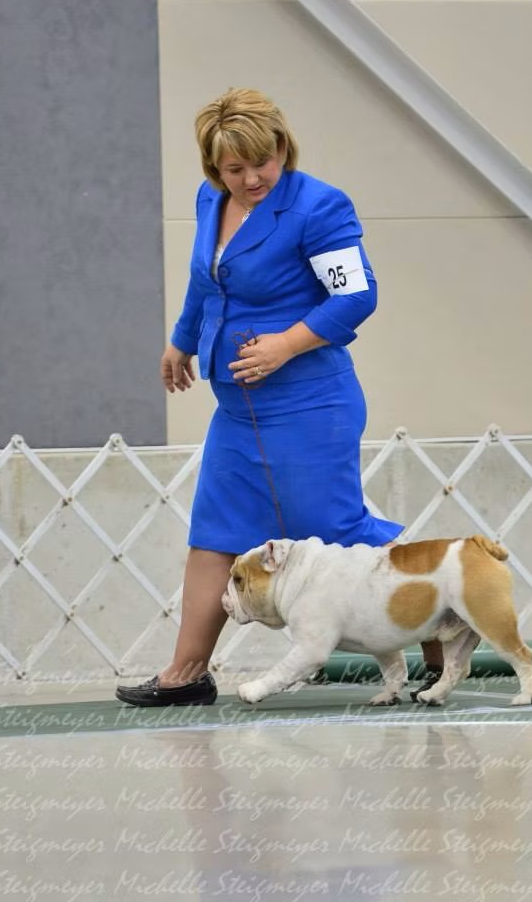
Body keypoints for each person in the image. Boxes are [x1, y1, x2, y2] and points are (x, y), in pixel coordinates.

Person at [115, 87, 442, 707]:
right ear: (213, 169)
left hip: (309, 403)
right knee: (215, 532)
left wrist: (286, 344)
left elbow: (356, 295)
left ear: (282, 148)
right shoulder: (210, 200)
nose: (250, 178)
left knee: (339, 531)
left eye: (260, 163)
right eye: (233, 169)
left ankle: (437, 635)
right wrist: (181, 342)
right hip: (237, 410)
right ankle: (185, 674)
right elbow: (204, 281)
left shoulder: (319, 207)